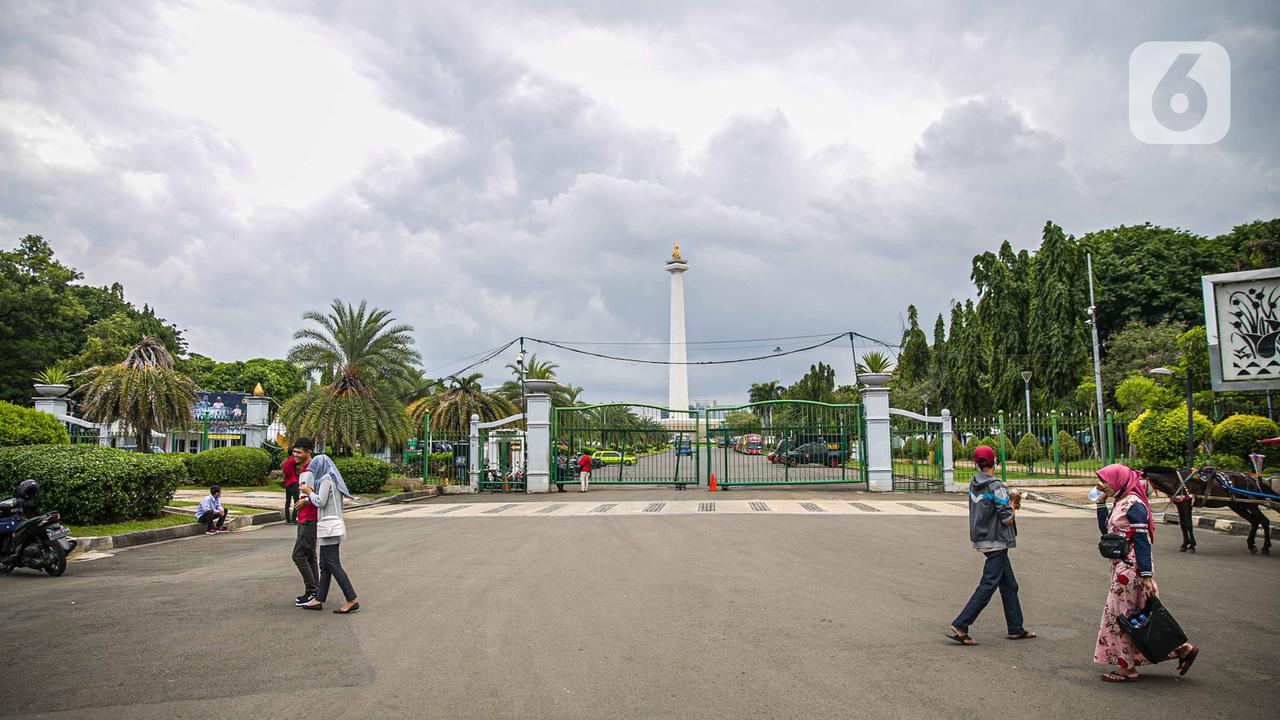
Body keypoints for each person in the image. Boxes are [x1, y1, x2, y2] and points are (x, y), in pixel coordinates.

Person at [1093, 464, 1198, 682]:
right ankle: (1181, 649)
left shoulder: (1134, 505)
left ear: (1118, 480)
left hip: (1130, 570)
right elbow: (1108, 533)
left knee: (1119, 618)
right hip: (1123, 567)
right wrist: (1101, 505)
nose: (1102, 486)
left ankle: (1127, 669)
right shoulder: (1121, 502)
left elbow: (1143, 542)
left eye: (1105, 481)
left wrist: (1147, 574)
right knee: (1141, 616)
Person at [947, 445, 1034, 645]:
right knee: (988, 584)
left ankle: (1016, 627)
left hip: (982, 537)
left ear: (976, 464)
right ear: (995, 461)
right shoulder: (996, 486)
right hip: (997, 540)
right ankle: (961, 624)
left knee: (1009, 585)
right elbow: (1007, 519)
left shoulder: (974, 483)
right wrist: (1013, 501)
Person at [299, 454, 360, 614]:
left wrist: (308, 492)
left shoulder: (326, 479)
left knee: (332, 564)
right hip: (329, 526)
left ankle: (351, 599)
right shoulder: (331, 478)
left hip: (330, 527)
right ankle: (319, 599)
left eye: (314, 470)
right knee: (325, 565)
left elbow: (320, 501)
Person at [289, 438, 319, 607]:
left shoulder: (313, 469)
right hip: (304, 517)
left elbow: (319, 491)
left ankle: (312, 590)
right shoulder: (303, 469)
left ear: (308, 452)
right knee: (309, 556)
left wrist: (307, 499)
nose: (295, 455)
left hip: (310, 519)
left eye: (298, 452)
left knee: (298, 555)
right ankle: (316, 591)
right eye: (294, 452)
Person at [281, 452, 302, 524]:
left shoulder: (285, 462)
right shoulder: (293, 460)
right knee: (296, 501)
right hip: (293, 482)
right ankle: (293, 519)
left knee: (288, 502)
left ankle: (287, 519)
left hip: (287, 484)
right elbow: (300, 461)